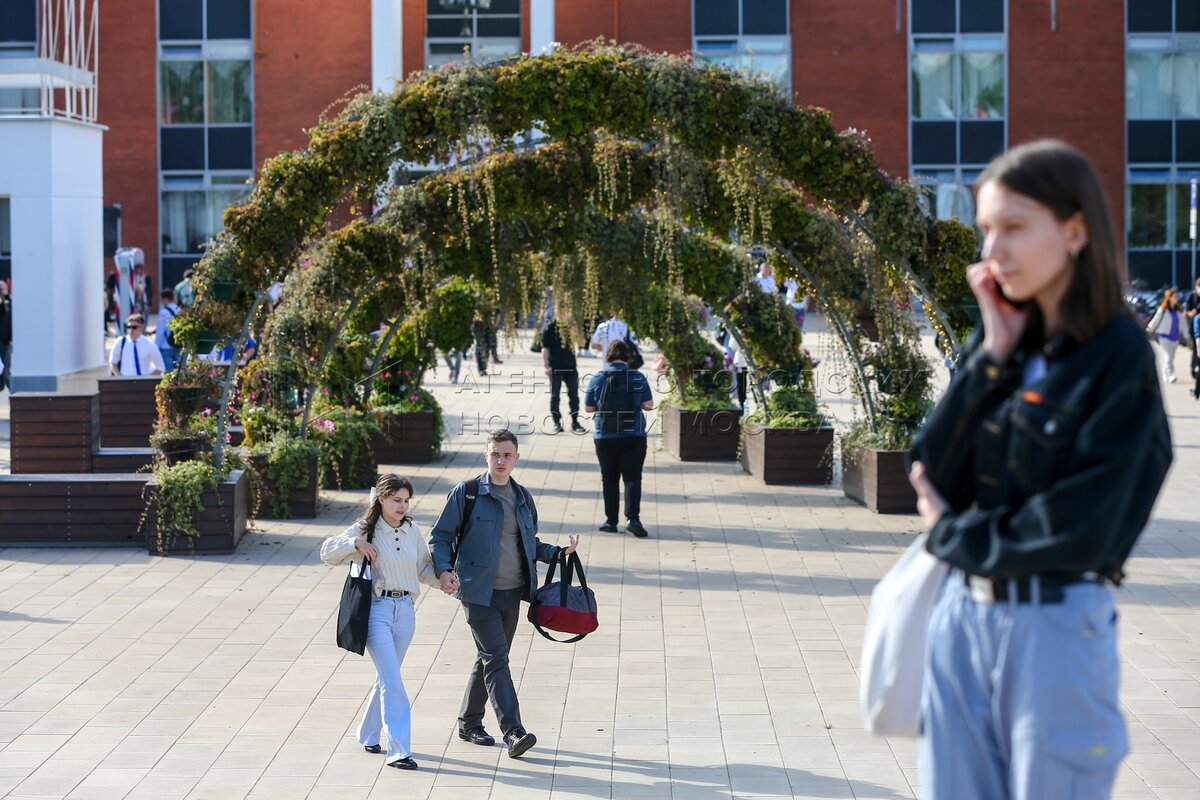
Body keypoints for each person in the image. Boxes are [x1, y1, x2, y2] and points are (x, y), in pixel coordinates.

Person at [907, 140, 1173, 799]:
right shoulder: (1003, 340)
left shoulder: (1118, 358)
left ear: (1075, 231)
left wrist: (952, 536)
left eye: (1014, 228)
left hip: (1053, 630)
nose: (992, 251)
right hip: (962, 621)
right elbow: (929, 470)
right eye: (986, 230)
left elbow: (1083, 527)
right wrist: (988, 359)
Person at [427, 429, 579, 759]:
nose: (500, 460)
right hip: (477, 593)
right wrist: (443, 570)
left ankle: (469, 722)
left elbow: (529, 543)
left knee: (490, 658)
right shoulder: (466, 493)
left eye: (507, 455)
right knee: (497, 659)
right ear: (486, 455)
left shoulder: (523, 497)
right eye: (495, 453)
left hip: (513, 593)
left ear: (516, 458)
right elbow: (440, 537)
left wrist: (557, 553)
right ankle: (513, 732)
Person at [320, 474, 449, 770]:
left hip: (405, 610)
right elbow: (326, 553)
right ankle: (399, 750)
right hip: (375, 610)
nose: (402, 506)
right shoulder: (365, 529)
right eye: (396, 500)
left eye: (406, 500)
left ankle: (367, 733)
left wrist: (444, 581)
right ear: (382, 498)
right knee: (394, 682)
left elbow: (423, 569)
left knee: (386, 678)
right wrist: (355, 543)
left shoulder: (412, 531)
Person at [584, 340, 655, 538]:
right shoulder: (638, 377)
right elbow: (648, 404)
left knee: (609, 478)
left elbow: (588, 408)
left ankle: (611, 521)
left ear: (608, 357)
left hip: (605, 436)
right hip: (634, 436)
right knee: (633, 477)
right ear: (628, 357)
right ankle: (633, 519)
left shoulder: (598, 378)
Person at [542, 319, 584, 434]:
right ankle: (556, 422)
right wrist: (546, 366)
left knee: (574, 396)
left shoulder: (572, 326)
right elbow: (545, 348)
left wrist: (576, 332)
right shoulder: (550, 327)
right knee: (555, 396)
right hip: (555, 368)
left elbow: (582, 344)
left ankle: (575, 422)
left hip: (571, 367)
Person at [1146, 289, 1183, 382]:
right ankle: (1170, 375)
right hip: (1164, 336)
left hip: (1175, 337)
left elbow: (1183, 324)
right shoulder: (1162, 309)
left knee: (1171, 357)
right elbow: (1155, 320)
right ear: (1169, 298)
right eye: (1175, 297)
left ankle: (1164, 373)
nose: (1177, 299)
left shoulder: (1178, 310)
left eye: (1177, 297)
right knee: (1169, 355)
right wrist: (1149, 329)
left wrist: (1187, 335)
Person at [157, 288, 182, 373]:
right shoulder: (179, 310)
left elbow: (160, 331)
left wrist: (157, 346)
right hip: (178, 344)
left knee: (168, 372)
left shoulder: (164, 312)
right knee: (178, 370)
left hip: (166, 345)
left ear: (165, 299)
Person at [0, 280, 11, 393]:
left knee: (6, 368)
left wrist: (6, 293)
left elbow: (9, 313)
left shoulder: (9, 301)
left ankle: (10, 389)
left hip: (7, 340)